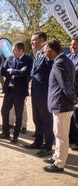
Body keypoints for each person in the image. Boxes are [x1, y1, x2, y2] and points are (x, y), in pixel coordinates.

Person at [43, 39, 76, 173]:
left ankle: (59, 164)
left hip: (62, 105)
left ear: (51, 50)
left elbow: (66, 86)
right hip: (62, 104)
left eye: (46, 51)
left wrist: (74, 99)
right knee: (59, 134)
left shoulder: (59, 63)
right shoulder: (65, 60)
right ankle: (57, 157)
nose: (45, 54)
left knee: (61, 136)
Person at [0, 41, 32, 143]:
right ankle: (5, 133)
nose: (12, 52)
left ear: (21, 50)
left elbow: (24, 73)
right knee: (4, 111)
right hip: (9, 89)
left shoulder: (28, 59)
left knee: (18, 114)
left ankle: (15, 135)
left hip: (20, 91)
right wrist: (14, 73)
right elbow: (2, 71)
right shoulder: (10, 58)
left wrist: (12, 71)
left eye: (14, 50)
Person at [24, 32, 54, 158]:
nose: (31, 42)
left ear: (42, 40)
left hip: (45, 93)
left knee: (47, 120)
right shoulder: (37, 54)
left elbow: (51, 74)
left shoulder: (48, 54)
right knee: (37, 119)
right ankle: (38, 142)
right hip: (36, 92)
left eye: (34, 40)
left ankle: (48, 147)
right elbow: (33, 72)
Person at [66, 36, 78, 151]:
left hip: (77, 93)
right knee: (68, 117)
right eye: (71, 44)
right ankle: (70, 139)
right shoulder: (68, 57)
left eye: (75, 44)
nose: (72, 46)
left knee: (77, 118)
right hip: (68, 93)